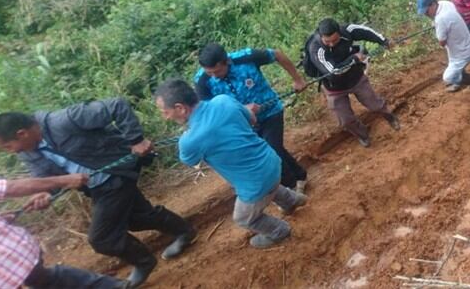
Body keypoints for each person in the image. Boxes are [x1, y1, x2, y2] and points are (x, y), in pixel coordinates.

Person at [0, 100, 195, 289]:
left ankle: (144, 261)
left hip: (116, 174)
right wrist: (44, 194)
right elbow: (44, 178)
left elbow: (117, 105)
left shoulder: (62, 121)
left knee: (102, 238)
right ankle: (184, 230)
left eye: (8, 146)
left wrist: (137, 140)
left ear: (21, 133)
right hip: (96, 188)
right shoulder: (28, 152)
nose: (12, 151)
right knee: (135, 218)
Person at [154, 79, 307, 249]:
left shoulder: (189, 141)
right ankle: (292, 200)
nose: (165, 117)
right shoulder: (223, 100)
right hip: (271, 160)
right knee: (267, 185)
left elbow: (191, 161)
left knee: (243, 218)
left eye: (164, 112)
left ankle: (280, 231)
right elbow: (252, 119)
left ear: (180, 108)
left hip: (257, 182)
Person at [195, 43, 309, 193]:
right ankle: (300, 176)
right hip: (243, 123)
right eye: (210, 73)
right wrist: (240, 110)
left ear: (227, 61)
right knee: (271, 149)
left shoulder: (246, 57)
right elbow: (209, 111)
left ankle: (291, 187)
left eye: (217, 71)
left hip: (270, 112)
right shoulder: (202, 81)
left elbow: (277, 54)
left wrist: (297, 79)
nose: (214, 76)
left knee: (271, 150)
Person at [0, 174, 129, 288]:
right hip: (10, 256)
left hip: (6, 260)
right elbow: (11, 188)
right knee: (44, 278)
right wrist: (65, 180)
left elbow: (11, 188)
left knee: (43, 279)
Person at [306, 19, 399, 148]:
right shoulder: (316, 50)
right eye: (328, 42)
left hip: (356, 78)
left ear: (339, 32)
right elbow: (334, 73)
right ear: (321, 37)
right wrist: (354, 58)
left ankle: (390, 117)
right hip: (334, 88)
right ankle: (363, 135)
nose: (332, 44)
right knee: (346, 120)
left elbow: (366, 32)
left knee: (375, 105)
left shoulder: (347, 31)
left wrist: (384, 41)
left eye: (335, 40)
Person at [417, 0, 470, 92]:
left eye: (426, 11)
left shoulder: (440, 19)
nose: (425, 14)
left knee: (447, 77)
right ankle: (458, 82)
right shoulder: (445, 3)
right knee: (457, 68)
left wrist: (436, 27)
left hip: (462, 52)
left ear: (433, 5)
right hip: (466, 43)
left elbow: (442, 43)